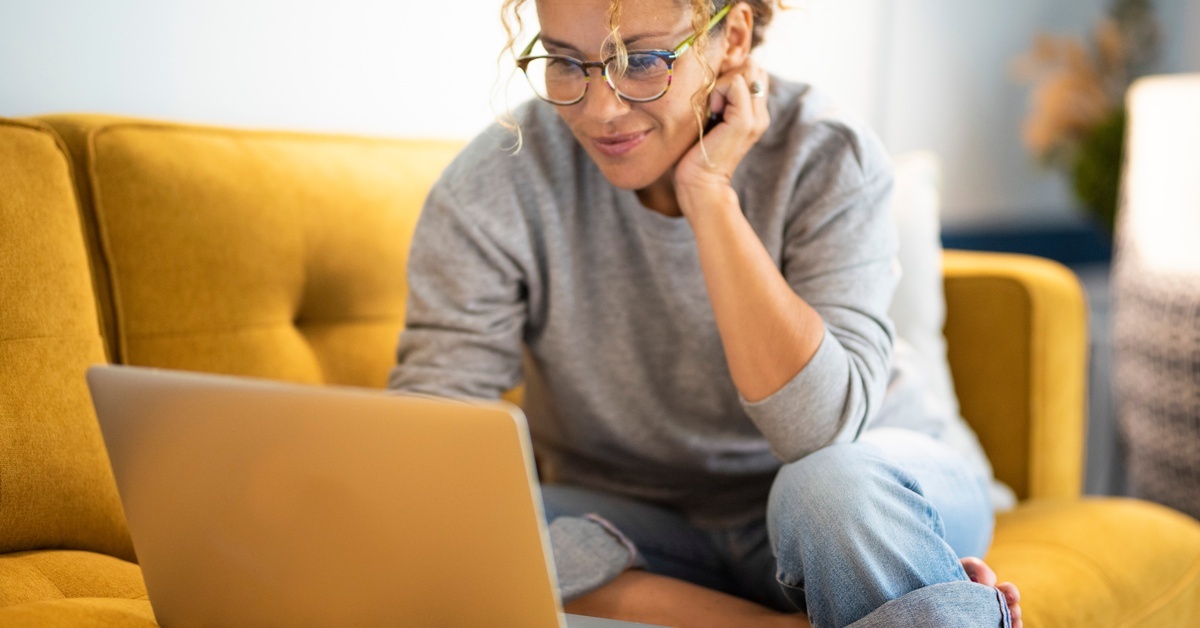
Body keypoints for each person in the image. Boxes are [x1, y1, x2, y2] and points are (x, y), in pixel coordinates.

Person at [389, 0, 1022, 625]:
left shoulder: (826, 154)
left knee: (831, 493)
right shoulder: (495, 184)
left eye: (641, 61)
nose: (600, 109)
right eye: (564, 62)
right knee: (473, 530)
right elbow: (435, 442)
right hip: (639, 523)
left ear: (733, 37)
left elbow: (819, 431)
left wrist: (709, 195)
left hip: (862, 488)